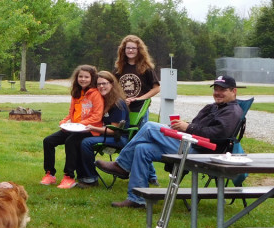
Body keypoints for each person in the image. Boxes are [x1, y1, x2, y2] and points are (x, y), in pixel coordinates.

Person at [96, 75, 244, 208]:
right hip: (192, 142)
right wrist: (182, 127)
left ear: (233, 91)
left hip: (203, 151)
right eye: (216, 89)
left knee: (149, 127)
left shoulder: (232, 111)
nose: (218, 92)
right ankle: (137, 199)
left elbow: (218, 134)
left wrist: (189, 127)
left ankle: (121, 165)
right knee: (142, 148)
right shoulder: (213, 107)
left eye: (222, 90)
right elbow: (198, 126)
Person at [41, 64, 104, 189]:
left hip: (89, 129)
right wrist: (64, 122)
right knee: (48, 141)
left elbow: (97, 116)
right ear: (77, 78)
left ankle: (69, 176)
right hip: (74, 128)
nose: (83, 79)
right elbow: (71, 114)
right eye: (80, 76)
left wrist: (79, 125)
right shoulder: (76, 92)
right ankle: (50, 174)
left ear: (92, 78)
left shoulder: (95, 94)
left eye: (86, 77)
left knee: (71, 141)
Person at [114, 35, 161, 185]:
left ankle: (151, 176)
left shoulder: (145, 68)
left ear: (139, 50)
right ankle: (147, 175)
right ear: (123, 50)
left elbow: (157, 88)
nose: (131, 50)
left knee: (141, 139)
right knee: (129, 140)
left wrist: (139, 99)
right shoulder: (119, 68)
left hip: (140, 110)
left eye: (134, 48)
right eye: (128, 48)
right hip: (123, 110)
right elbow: (113, 87)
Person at [77, 71, 130, 187]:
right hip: (106, 135)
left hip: (119, 138)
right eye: (99, 84)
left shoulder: (117, 104)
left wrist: (92, 128)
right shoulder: (103, 100)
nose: (101, 86)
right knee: (77, 138)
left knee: (86, 142)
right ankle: (81, 175)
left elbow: (114, 130)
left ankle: (91, 179)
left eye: (104, 83)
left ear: (112, 84)